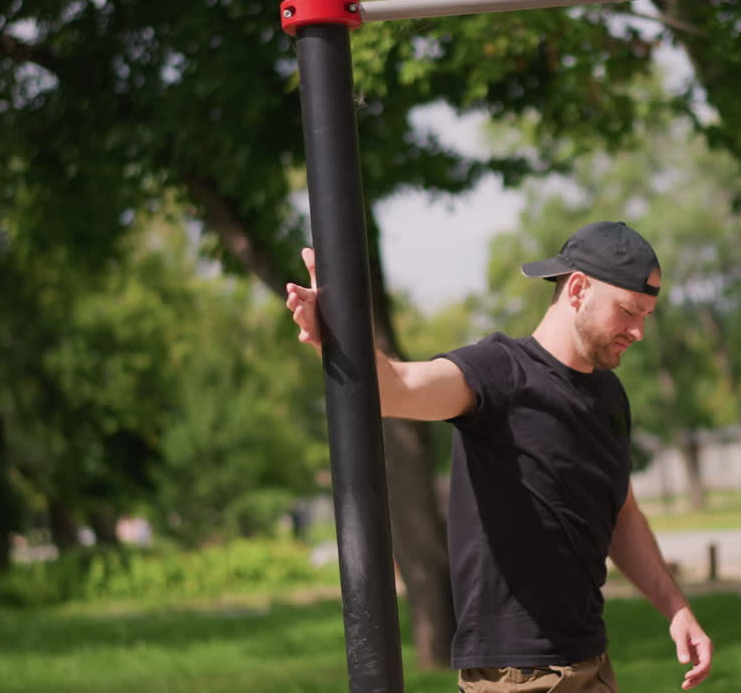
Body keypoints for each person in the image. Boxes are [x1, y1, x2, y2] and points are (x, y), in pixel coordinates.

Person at [286, 221, 712, 692]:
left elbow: (622, 512)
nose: (638, 331)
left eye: (646, 316)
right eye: (629, 311)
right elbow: (395, 389)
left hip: (591, 664)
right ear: (577, 290)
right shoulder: (498, 373)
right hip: (517, 678)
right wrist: (340, 326)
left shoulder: (608, 396)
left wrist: (676, 608)